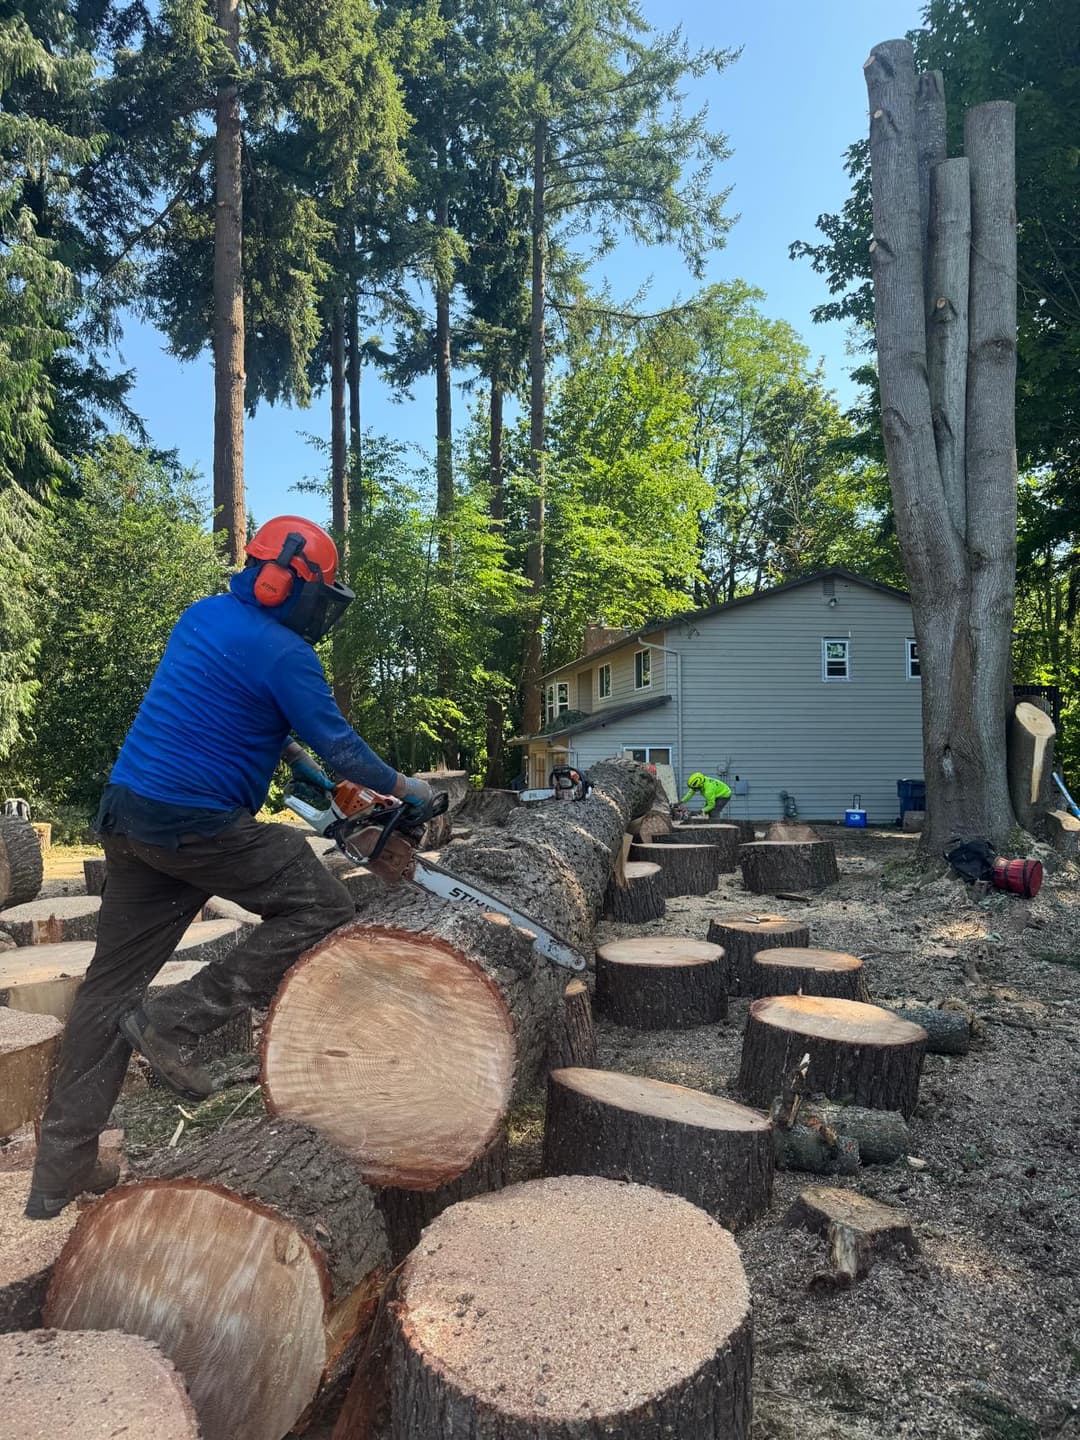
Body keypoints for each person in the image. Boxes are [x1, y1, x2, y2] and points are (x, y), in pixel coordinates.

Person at [26, 516, 432, 1220]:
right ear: (286, 583)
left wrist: (309, 779)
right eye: (318, 593)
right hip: (196, 823)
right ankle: (176, 1020)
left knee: (107, 991)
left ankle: (57, 1175)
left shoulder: (203, 619)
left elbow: (249, 726)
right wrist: (411, 790)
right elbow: (347, 752)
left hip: (131, 817)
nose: (320, 609)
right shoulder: (286, 655)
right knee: (323, 905)